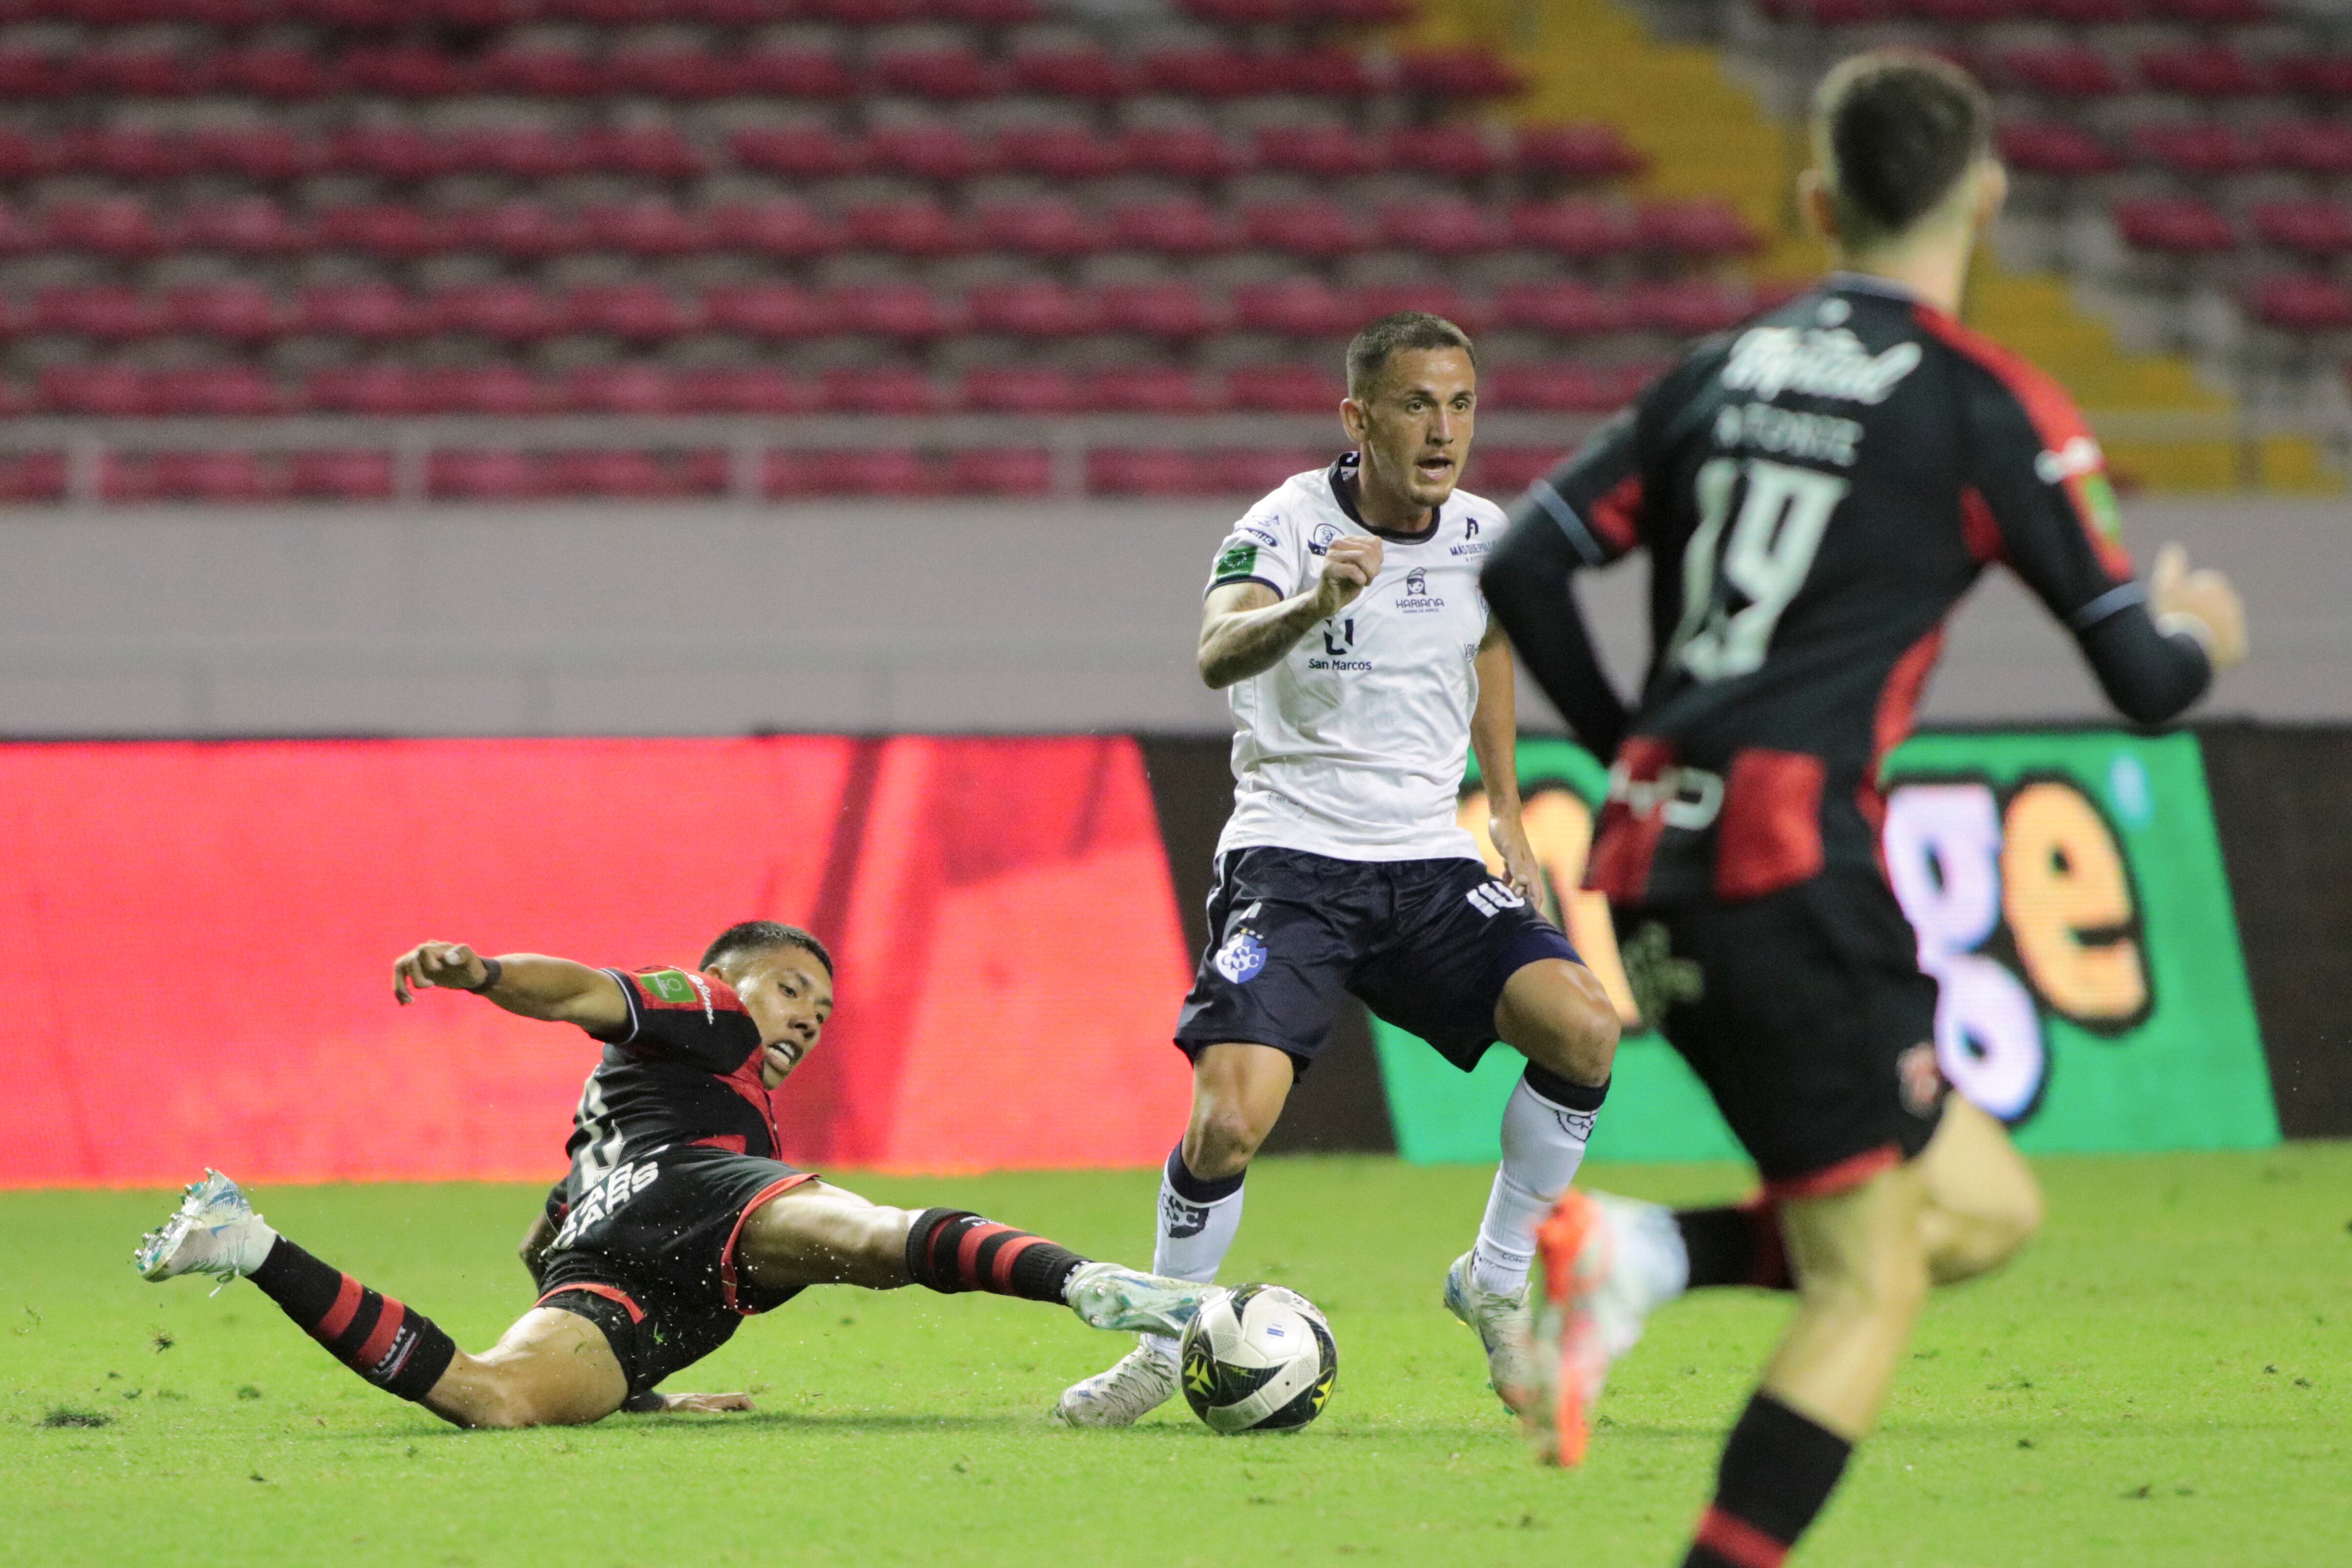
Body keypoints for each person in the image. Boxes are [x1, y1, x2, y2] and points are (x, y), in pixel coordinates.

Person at [1479, 49, 2247, 1564]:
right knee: (1867, 1284)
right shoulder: (1981, 406)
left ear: (1816, 198)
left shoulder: (1721, 369)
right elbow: (2143, 680)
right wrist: (2205, 629)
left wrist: (1637, 745)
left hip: (1649, 864)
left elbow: (1518, 566)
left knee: (1980, 1211)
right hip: (1786, 868)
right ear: (1988, 196)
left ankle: (1637, 1249)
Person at [1055, 312, 1623, 1428]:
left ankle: (1495, 1281)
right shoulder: (1283, 525)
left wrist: (1504, 810)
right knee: (1227, 1124)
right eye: (1418, 404)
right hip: (1293, 864)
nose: (1444, 429)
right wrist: (1315, 602)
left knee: (1584, 1031)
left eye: (1461, 404)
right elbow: (1217, 650)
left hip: (1424, 865)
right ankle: (1168, 1341)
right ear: (1357, 419)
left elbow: (1491, 645)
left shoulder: (1478, 534)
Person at [135, 920, 1213, 1429]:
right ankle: (1087, 1284)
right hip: (696, 1189)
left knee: (493, 1398)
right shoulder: (708, 1006)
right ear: (735, 978)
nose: (801, 1019)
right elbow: (583, 992)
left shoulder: (628, 1102)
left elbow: (541, 1243)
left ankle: (249, 1242)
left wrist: (638, 1385)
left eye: (820, 1012)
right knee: (869, 1240)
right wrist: (490, 975)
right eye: (792, 990)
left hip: (604, 1257)